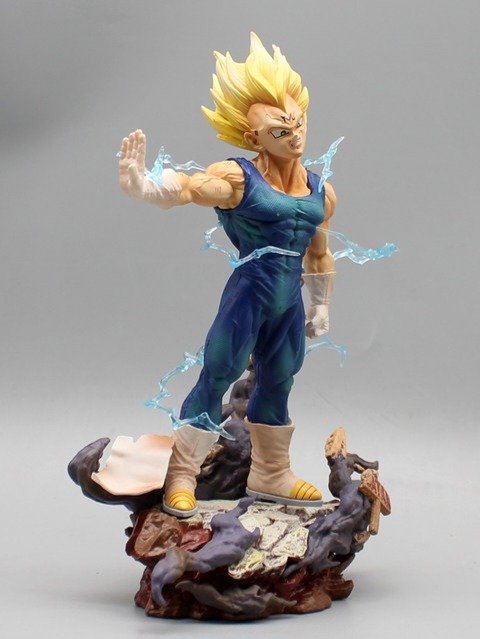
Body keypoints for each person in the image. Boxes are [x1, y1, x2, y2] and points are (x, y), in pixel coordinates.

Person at [118, 33, 336, 518]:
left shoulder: (322, 190)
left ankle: (271, 472)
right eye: (280, 129)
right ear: (253, 138)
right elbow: (193, 187)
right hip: (249, 294)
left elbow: (320, 253)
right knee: (219, 372)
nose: (295, 134)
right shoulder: (240, 177)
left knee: (281, 376)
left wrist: (321, 303)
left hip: (289, 299)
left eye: (298, 122)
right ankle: (182, 473)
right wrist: (146, 187)